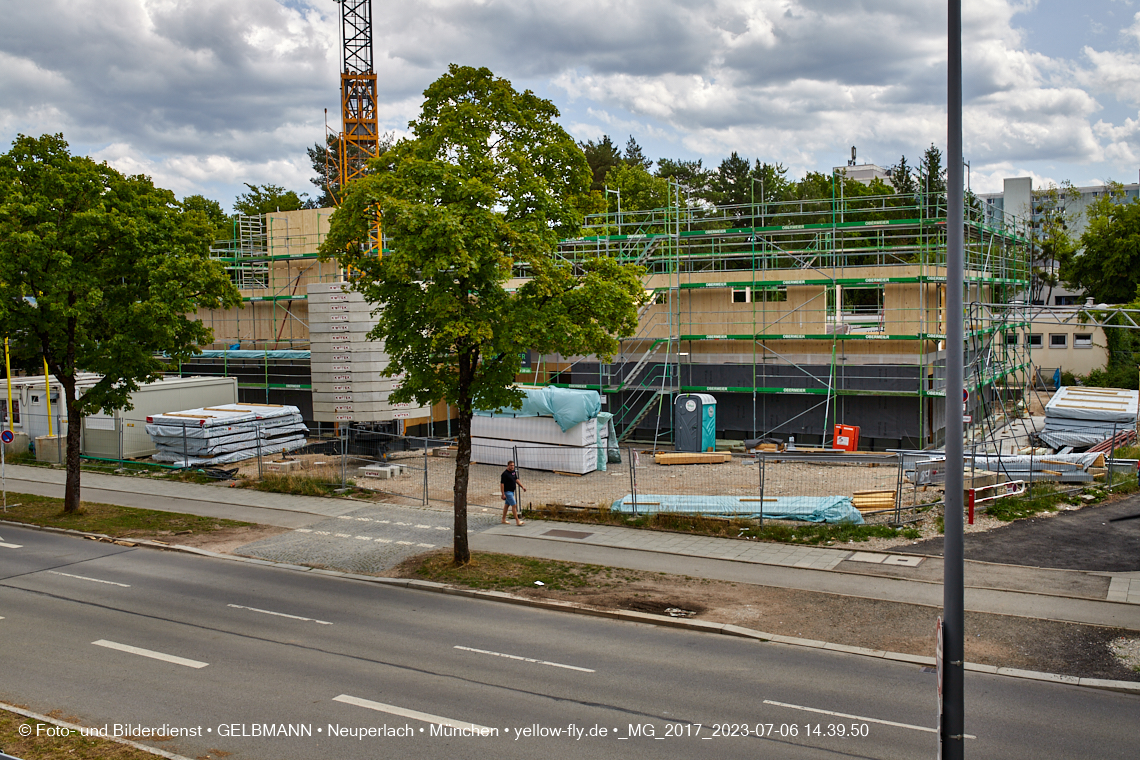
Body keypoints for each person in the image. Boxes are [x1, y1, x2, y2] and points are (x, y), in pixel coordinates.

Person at [500, 460, 526, 525]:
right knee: (514, 505)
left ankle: (503, 519)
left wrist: (522, 486)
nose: (512, 467)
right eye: (511, 465)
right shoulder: (504, 474)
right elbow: (502, 484)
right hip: (507, 492)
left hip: (512, 491)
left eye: (513, 465)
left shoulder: (513, 472)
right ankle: (517, 521)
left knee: (507, 505)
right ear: (508, 466)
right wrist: (503, 494)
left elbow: (516, 479)